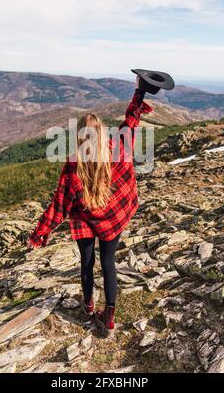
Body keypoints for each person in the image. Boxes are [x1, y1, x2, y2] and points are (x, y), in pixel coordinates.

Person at [27, 76, 154, 336]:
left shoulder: (73, 167)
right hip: (112, 218)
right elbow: (130, 122)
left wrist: (40, 233)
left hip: (85, 220)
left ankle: (88, 305)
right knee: (109, 264)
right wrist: (140, 91)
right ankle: (109, 316)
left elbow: (59, 206)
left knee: (87, 264)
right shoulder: (117, 147)